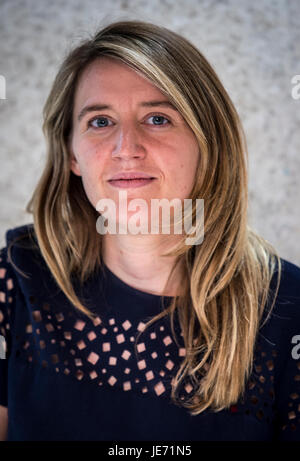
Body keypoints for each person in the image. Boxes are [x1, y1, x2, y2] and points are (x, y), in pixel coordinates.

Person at [0, 19, 299, 442]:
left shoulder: (289, 311)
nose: (127, 148)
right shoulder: (17, 279)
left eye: (157, 118)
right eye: (100, 122)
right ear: (72, 155)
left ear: (207, 142)